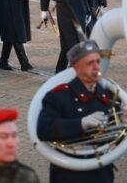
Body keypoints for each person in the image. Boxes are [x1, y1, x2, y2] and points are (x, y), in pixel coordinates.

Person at [37, 40, 117, 182]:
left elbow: (116, 136)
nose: (96, 67)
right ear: (75, 66)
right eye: (89, 63)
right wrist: (80, 123)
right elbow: (44, 129)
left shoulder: (109, 95)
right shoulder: (58, 96)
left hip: (101, 171)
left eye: (98, 61)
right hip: (69, 172)